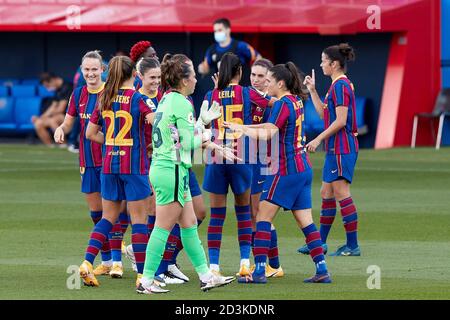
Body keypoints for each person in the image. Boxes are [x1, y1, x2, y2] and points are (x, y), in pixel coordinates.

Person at [224, 62, 332, 284]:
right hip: (303, 168)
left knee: (262, 216)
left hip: (285, 169)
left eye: (270, 80)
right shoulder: (295, 102)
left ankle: (260, 271)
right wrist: (240, 127)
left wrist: (242, 129)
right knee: (306, 221)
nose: (266, 83)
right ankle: (322, 269)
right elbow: (268, 126)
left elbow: (268, 133)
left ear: (280, 83)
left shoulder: (282, 104)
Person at [138, 56, 236, 294]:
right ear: (183, 80)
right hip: (171, 168)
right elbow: (187, 141)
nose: (195, 79)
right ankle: (147, 280)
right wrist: (207, 134)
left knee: (189, 224)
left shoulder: (168, 99)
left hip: (171, 168)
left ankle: (206, 276)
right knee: (162, 227)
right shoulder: (181, 102)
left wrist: (201, 124)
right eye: (191, 75)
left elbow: (178, 136)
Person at [78, 55, 155, 288]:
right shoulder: (138, 98)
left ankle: (86, 263)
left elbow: (90, 133)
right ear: (135, 75)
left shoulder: (104, 98)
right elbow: (155, 121)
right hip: (134, 166)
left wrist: (111, 142)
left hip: (109, 165)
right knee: (139, 222)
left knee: (107, 218)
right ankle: (143, 277)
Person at [203, 52, 275, 277]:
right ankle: (245, 262)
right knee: (244, 212)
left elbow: (202, 125)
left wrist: (217, 91)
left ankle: (213, 267)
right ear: (240, 72)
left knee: (216, 215)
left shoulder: (210, 94)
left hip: (215, 157)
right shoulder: (247, 93)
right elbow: (274, 103)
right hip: (242, 157)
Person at [54, 50, 117, 277]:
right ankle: (108, 261)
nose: (90, 73)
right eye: (86, 70)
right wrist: (61, 129)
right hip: (87, 161)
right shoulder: (78, 94)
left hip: (112, 160)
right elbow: (69, 123)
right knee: (96, 213)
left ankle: (119, 260)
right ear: (82, 71)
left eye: (94, 69)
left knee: (116, 213)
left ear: (103, 70)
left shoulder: (111, 93)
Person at [298, 43, 360, 257]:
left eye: (324, 60)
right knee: (326, 192)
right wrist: (313, 91)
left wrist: (318, 139)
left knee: (342, 193)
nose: (321, 64)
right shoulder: (336, 86)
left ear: (334, 64)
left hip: (343, 148)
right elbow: (326, 115)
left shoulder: (341, 86)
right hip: (336, 148)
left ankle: (352, 246)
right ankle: (320, 243)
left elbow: (341, 121)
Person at [248, 58, 284, 278]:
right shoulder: (250, 97)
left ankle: (272, 265)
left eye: (261, 76)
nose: (256, 80)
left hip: (265, 161)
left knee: (261, 213)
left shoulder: (274, 102)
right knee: (256, 214)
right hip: (251, 160)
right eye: (253, 75)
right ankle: (270, 265)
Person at [32, 72, 72, 146]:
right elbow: (53, 107)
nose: (48, 88)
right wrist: (40, 117)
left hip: (70, 116)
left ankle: (64, 146)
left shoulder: (67, 87)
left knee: (52, 121)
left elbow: (61, 109)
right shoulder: (57, 90)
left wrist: (48, 115)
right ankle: (50, 147)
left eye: (47, 85)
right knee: (38, 124)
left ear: (53, 80)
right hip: (58, 115)